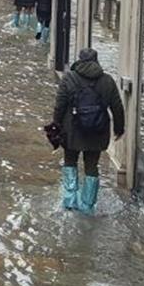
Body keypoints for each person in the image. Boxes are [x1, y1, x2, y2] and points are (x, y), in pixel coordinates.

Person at [52, 48, 125, 213]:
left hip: (71, 131)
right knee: (92, 165)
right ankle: (88, 205)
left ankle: (70, 202)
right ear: (97, 60)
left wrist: (56, 125)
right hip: (97, 132)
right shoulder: (107, 81)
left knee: (70, 161)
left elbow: (60, 105)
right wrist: (119, 129)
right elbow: (117, 107)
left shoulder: (69, 78)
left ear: (79, 60)